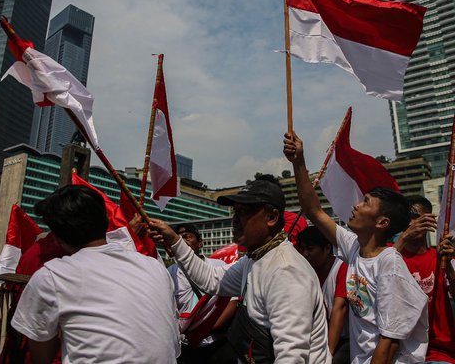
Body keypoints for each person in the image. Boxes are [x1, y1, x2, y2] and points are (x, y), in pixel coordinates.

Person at [150, 174, 329, 363]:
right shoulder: (256, 259)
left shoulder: (285, 271)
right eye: (235, 212)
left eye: (244, 212)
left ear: (272, 217)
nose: (235, 220)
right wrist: (175, 241)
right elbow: (212, 280)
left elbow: (291, 356)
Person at [283, 132, 428, 364]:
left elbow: (389, 341)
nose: (356, 205)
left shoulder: (389, 264)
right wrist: (298, 161)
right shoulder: (353, 247)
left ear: (382, 223)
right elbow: (314, 211)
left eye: (366, 202)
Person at [11, 185, 180, 363]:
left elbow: (41, 358)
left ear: (57, 237)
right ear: (106, 222)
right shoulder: (155, 267)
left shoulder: (52, 276)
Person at [393, 196, 455, 363]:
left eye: (415, 216)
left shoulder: (441, 258)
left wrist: (449, 268)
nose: (410, 222)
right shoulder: (392, 258)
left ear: (429, 219)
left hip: (439, 353)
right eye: (406, 217)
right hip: (401, 354)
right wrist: (402, 239)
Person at [168, 223, 237, 364]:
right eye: (179, 238)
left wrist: (207, 327)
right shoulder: (170, 273)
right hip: (187, 346)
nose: (183, 241)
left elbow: (232, 301)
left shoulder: (218, 265)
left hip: (218, 343)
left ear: (200, 243)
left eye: (187, 237)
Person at [298, 226, 350, 364]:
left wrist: (329, 352)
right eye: (302, 249)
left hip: (345, 339)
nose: (305, 254)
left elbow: (340, 308)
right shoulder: (307, 272)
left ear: (327, 248)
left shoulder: (342, 267)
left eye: (310, 249)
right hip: (319, 338)